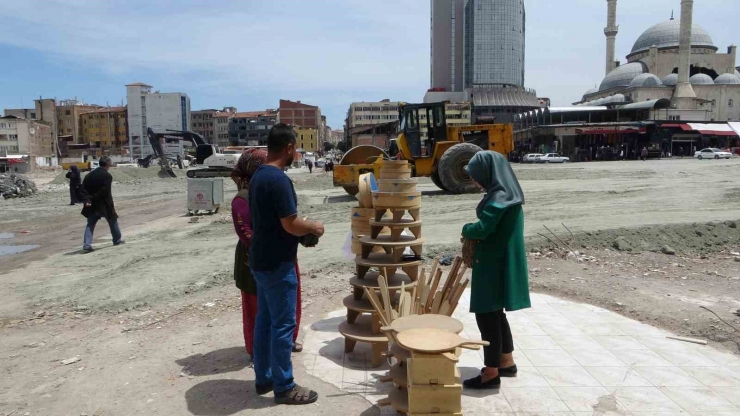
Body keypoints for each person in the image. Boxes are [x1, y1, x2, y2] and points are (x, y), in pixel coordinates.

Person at [249, 124, 324, 405]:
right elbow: (291, 224)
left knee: (265, 321)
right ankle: (284, 386)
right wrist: (314, 227)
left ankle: (264, 377)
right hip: (278, 263)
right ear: (290, 148)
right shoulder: (278, 180)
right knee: (282, 325)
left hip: (261, 259)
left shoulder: (258, 175)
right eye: (297, 149)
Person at [460, 151, 531, 390]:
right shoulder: (511, 194)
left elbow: (483, 228)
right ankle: (506, 361)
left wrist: (466, 229)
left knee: (487, 315)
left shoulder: (499, 197)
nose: (475, 182)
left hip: (492, 263)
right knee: (497, 314)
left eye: (476, 176)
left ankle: (491, 373)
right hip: (503, 261)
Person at [230, 148, 303, 359]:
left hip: (282, 254)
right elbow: (247, 235)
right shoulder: (242, 199)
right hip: (255, 260)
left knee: (287, 303)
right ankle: (258, 351)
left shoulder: (268, 188)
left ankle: (285, 341)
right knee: (259, 307)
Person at [80, 156, 123, 252]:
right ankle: (117, 240)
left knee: (90, 224)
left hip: (92, 205)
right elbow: (105, 191)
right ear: (107, 164)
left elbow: (82, 190)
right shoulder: (107, 176)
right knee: (112, 221)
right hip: (105, 204)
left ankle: (87, 245)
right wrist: (91, 198)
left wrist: (87, 200)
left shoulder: (89, 175)